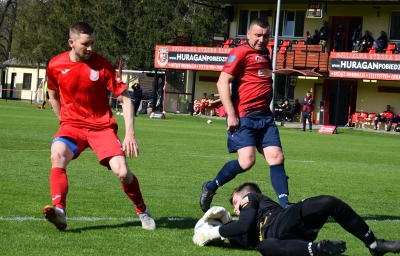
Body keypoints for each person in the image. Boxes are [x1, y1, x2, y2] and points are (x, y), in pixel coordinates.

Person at [43, 22, 155, 231]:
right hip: (72, 126)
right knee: (57, 155)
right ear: (71, 43)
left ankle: (142, 210)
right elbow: (53, 95)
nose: (90, 48)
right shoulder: (55, 65)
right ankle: (59, 211)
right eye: (86, 44)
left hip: (101, 127)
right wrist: (64, 120)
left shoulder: (102, 65)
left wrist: (130, 133)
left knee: (122, 172)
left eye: (93, 43)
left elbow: (126, 99)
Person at [199, 18, 290, 213]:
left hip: (265, 116)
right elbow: (222, 82)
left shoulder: (266, 53)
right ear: (248, 34)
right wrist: (231, 113)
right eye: (257, 35)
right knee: (247, 161)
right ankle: (210, 187)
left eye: (265, 36)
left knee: (276, 156)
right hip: (244, 115)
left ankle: (285, 207)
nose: (261, 39)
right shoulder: (239, 52)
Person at [193, 182, 400, 256]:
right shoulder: (246, 232)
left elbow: (245, 223)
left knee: (328, 202)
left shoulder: (252, 197)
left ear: (247, 196)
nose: (237, 209)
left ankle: (374, 243)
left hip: (284, 219)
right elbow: (240, 232)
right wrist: (223, 224)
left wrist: (212, 231)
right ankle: (318, 249)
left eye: (236, 203)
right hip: (290, 239)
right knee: (265, 248)